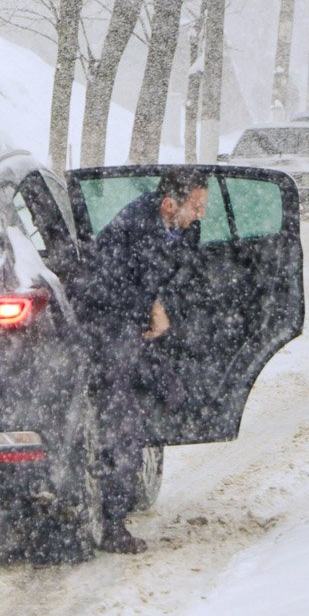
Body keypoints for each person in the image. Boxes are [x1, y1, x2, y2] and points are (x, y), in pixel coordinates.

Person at [74, 167, 210, 554]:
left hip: (138, 337)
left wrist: (164, 306)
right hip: (109, 337)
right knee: (123, 425)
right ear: (170, 205)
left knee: (173, 393)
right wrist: (148, 311)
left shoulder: (182, 229)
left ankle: (129, 463)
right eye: (196, 207)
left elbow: (184, 276)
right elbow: (105, 291)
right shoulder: (128, 232)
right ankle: (111, 523)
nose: (201, 215)